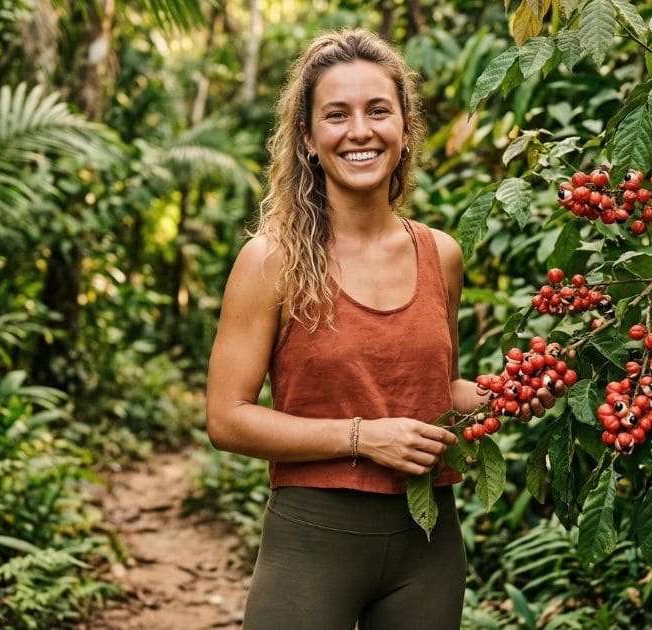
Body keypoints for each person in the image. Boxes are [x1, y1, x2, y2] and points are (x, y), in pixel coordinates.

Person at [205, 29, 487, 629]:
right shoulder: (271, 261)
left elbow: (436, 393)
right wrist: (361, 438)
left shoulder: (441, 255)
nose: (360, 130)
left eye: (378, 110)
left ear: (405, 127)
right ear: (308, 138)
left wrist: (512, 391)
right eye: (337, 115)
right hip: (312, 542)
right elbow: (226, 418)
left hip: (429, 544)